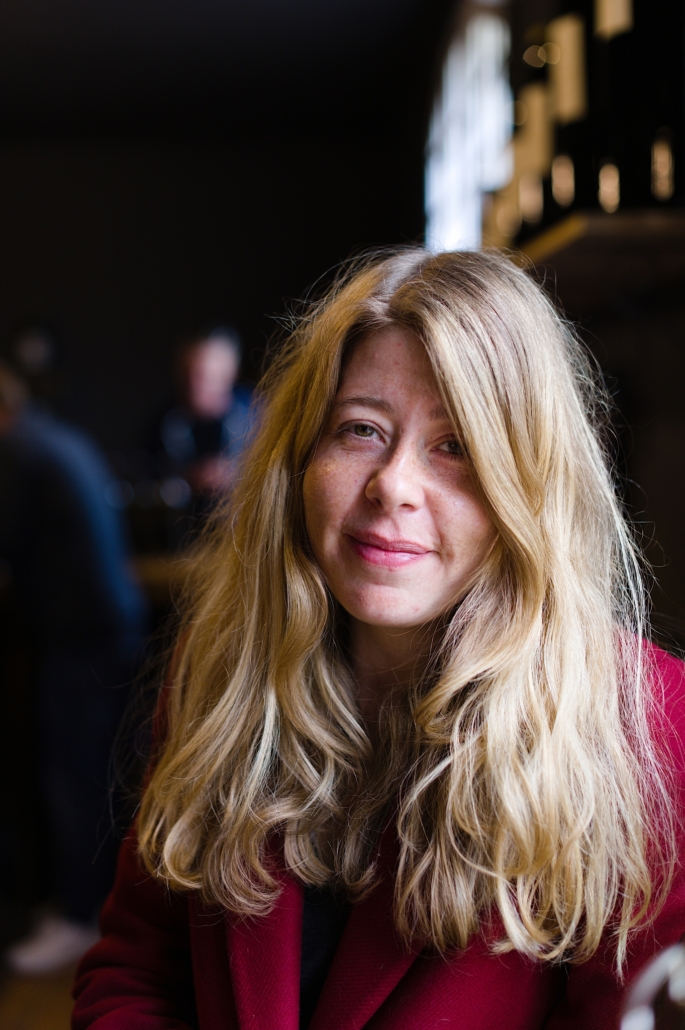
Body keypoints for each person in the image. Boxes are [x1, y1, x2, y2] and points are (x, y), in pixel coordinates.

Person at [72, 250, 685, 1029]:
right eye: (360, 429)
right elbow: (136, 970)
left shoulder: (646, 722)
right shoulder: (219, 670)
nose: (393, 484)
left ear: (529, 484)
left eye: (455, 445)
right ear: (300, 459)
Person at [0, 363, 148, 974]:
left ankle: (80, 917)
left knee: (74, 782)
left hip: (81, 638)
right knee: (98, 778)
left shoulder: (18, 451)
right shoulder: (55, 437)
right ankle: (95, 912)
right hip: (112, 628)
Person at [159, 327, 254, 500]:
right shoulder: (166, 422)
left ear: (228, 376)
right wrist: (188, 479)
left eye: (202, 376)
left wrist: (235, 475)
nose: (193, 385)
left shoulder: (256, 418)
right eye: (187, 375)